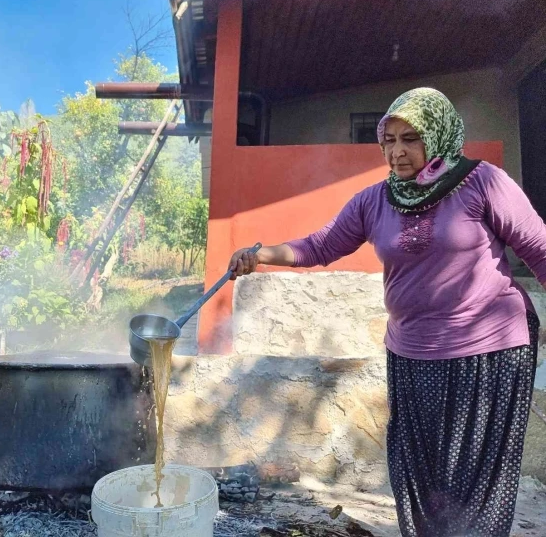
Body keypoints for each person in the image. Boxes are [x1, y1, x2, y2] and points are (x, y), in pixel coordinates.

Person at [228, 88, 546, 537]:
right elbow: (322, 245)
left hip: (488, 354)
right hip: (412, 355)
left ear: (437, 135)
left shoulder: (483, 182)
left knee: (475, 485)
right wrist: (260, 254)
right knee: (419, 478)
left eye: (411, 138)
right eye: (389, 140)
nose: (397, 152)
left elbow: (540, 248)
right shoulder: (374, 200)